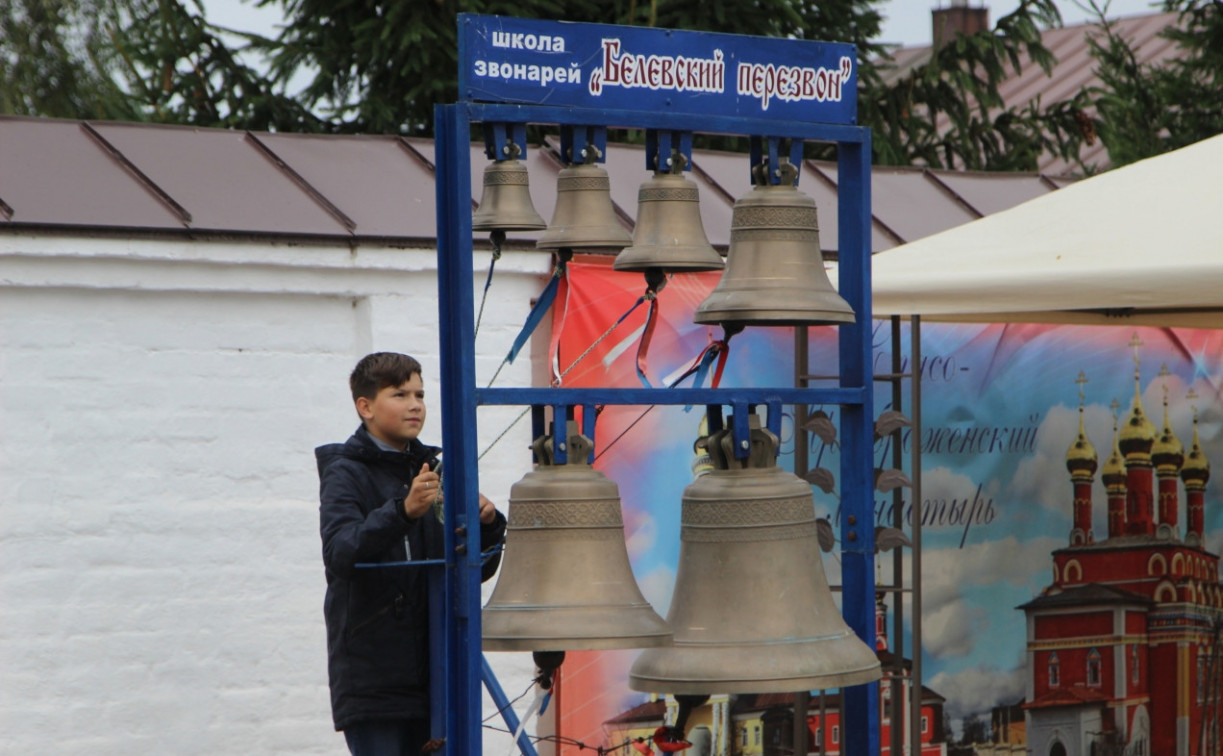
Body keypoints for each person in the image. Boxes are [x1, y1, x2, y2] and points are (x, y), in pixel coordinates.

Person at [315, 352, 506, 756]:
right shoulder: (346, 472)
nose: (415, 404)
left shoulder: (432, 469)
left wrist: (487, 525)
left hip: (438, 675)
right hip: (376, 682)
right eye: (399, 394)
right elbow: (340, 552)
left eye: (419, 393)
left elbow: (468, 572)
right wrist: (402, 512)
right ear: (365, 407)